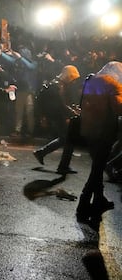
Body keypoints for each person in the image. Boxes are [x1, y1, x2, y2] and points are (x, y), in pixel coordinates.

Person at [76, 61, 122, 225]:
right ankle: (83, 206)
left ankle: (98, 201)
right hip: (104, 131)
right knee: (97, 170)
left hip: (89, 129)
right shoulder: (112, 84)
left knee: (97, 167)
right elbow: (118, 108)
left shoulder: (91, 80)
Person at [32, 65, 83, 175]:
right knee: (69, 139)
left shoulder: (56, 84)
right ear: (68, 76)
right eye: (72, 78)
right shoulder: (58, 86)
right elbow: (61, 105)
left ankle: (41, 153)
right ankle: (63, 166)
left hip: (55, 115)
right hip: (56, 116)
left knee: (64, 138)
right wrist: (72, 113)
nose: (73, 81)